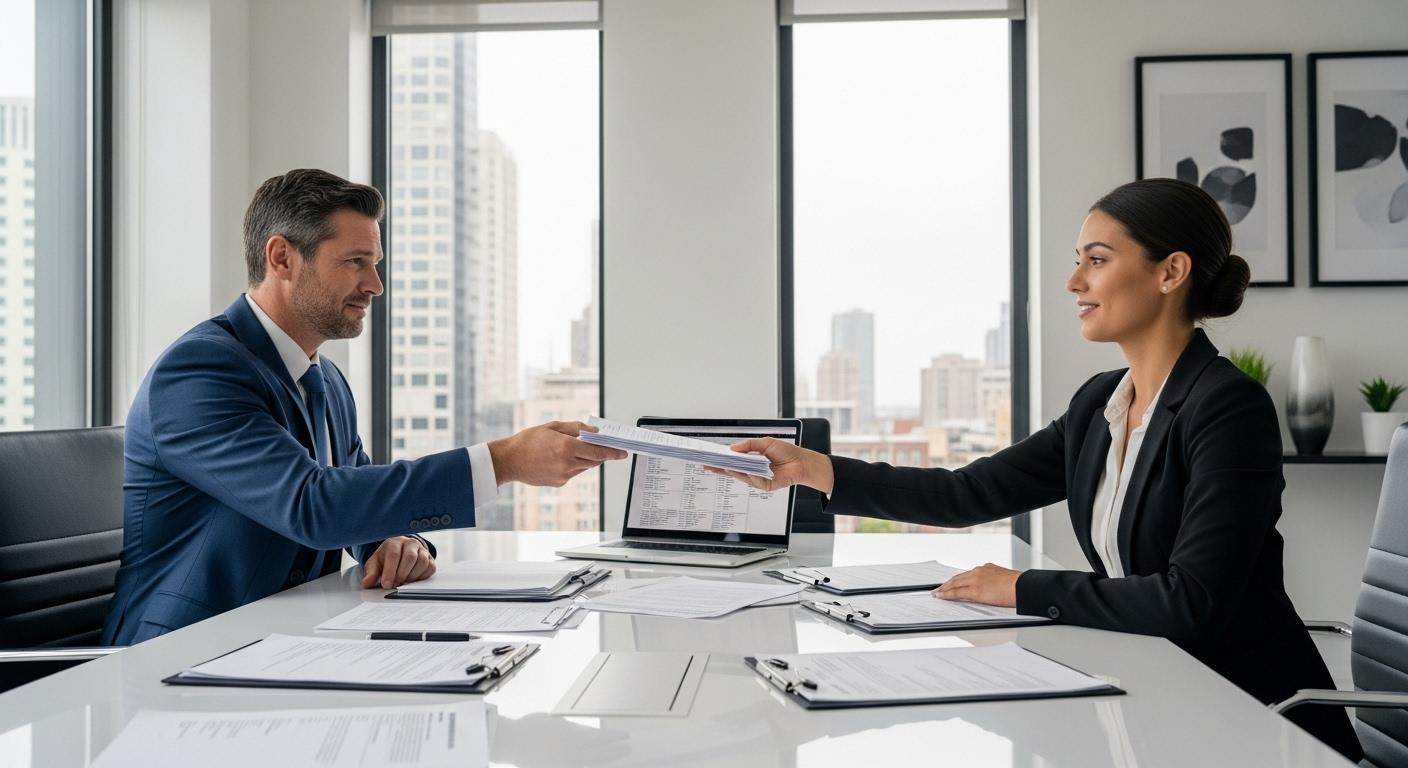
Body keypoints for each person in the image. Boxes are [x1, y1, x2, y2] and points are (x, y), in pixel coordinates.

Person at [711, 178, 1361, 760]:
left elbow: (1189, 603)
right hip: (1153, 686)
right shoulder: (1099, 406)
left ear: (1171, 272)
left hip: (1247, 716)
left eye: (1097, 261)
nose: (1074, 282)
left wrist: (1022, 586)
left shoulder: (1226, 408)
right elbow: (967, 494)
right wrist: (815, 469)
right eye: (1077, 261)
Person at [102, 169, 625, 645]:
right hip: (181, 652)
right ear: (281, 257)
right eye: (355, 262)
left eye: (374, 264)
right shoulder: (199, 372)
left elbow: (354, 500)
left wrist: (394, 540)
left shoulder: (325, 380)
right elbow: (311, 505)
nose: (374, 285)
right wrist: (504, 461)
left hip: (286, 637)